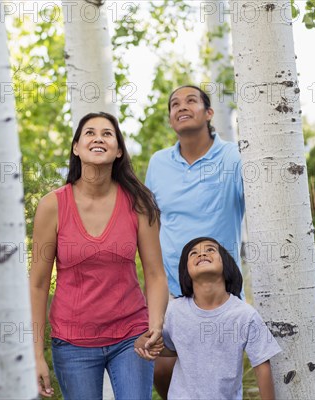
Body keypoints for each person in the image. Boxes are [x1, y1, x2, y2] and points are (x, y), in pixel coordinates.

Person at [29, 112, 169, 399]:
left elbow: (155, 275)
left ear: (118, 151)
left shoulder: (139, 204)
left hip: (131, 336)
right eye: (90, 133)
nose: (98, 138)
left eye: (107, 133)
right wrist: (35, 354)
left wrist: (154, 327)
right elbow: (38, 284)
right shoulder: (52, 206)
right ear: (76, 147)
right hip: (72, 343)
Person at [145, 85, 245, 397]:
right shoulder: (158, 163)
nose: (181, 106)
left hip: (218, 290)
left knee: (216, 380)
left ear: (209, 113)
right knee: (161, 369)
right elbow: (151, 222)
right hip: (172, 291)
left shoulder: (233, 157)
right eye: (174, 103)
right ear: (171, 120)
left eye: (191, 100)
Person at [135, 237, 281, 400]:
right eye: (193, 253)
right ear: (186, 271)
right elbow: (168, 347)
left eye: (210, 250)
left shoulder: (245, 315)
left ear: (226, 264)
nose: (202, 253)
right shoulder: (174, 310)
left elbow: (262, 366)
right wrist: (145, 344)